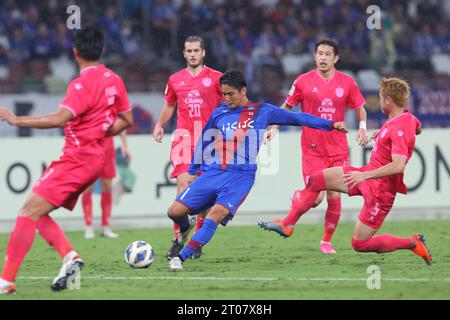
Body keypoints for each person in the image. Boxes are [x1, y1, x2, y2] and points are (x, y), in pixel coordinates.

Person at [166, 70, 348, 270]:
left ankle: (180, 258)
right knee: (174, 212)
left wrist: (330, 124)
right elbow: (205, 139)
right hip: (214, 171)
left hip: (241, 177)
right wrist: (193, 169)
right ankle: (185, 227)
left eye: (230, 94)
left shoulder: (263, 111)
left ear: (243, 90)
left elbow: (299, 118)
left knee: (214, 215)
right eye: (224, 94)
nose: (226, 99)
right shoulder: (220, 113)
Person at [0, 27, 133, 295]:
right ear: (102, 50)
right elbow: (126, 120)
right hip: (95, 156)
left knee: (27, 213)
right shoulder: (114, 79)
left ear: (75, 52)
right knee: (36, 211)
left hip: (78, 157)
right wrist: (101, 131)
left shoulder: (80, 84)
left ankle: (5, 281)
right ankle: (69, 256)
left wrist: (17, 119)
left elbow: (59, 118)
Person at [259, 77, 432, 266]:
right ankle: (287, 224)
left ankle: (412, 243)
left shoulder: (399, 128)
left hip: (380, 193)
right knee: (316, 180)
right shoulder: (405, 119)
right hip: (366, 176)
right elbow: (418, 128)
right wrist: (382, 134)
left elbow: (398, 165)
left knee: (360, 244)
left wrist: (365, 174)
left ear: (389, 101)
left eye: (381, 98)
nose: (380, 102)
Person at [264, 38, 369, 254]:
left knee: (334, 195)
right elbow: (287, 106)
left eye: (327, 54)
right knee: (315, 198)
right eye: (319, 53)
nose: (322, 57)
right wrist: (274, 126)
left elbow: (360, 108)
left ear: (336, 58)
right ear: (314, 56)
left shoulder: (347, 82)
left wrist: (362, 128)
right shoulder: (303, 81)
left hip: (338, 148)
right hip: (312, 148)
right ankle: (299, 199)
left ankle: (326, 242)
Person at [153, 35, 223, 260]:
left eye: (196, 50)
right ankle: (179, 237)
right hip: (184, 137)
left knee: (204, 193)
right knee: (183, 183)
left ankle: (196, 240)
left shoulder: (216, 78)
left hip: (210, 139)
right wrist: (159, 124)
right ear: (184, 54)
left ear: (203, 52)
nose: (192, 54)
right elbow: (169, 105)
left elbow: (233, 102)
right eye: (188, 51)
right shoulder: (175, 79)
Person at [82, 132, 131, 239]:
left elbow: (121, 122)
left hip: (107, 148)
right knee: (88, 186)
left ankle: (105, 227)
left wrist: (125, 145)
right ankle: (88, 226)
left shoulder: (111, 114)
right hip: (90, 147)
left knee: (107, 187)